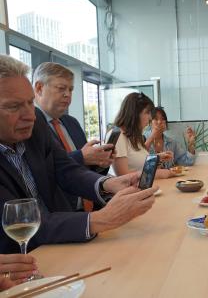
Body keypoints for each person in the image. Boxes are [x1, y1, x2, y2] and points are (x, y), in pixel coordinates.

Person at [0, 54, 158, 254]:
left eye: (30, 103)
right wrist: (101, 219)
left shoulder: (36, 126)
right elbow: (18, 224)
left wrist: (107, 184)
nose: (29, 115)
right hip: (19, 262)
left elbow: (66, 169)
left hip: (62, 243)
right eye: (14, 106)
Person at [33, 62, 114, 211]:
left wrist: (99, 162)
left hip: (90, 209)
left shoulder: (72, 123)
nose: (67, 95)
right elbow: (45, 171)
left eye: (70, 89)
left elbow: (85, 170)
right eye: (61, 88)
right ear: (39, 88)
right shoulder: (31, 126)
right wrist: (81, 156)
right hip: (61, 216)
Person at [108, 93, 173, 178]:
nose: (150, 118)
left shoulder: (134, 135)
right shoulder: (118, 136)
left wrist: (157, 158)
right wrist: (157, 174)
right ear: (134, 113)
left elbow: (138, 162)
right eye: (147, 113)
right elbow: (123, 177)